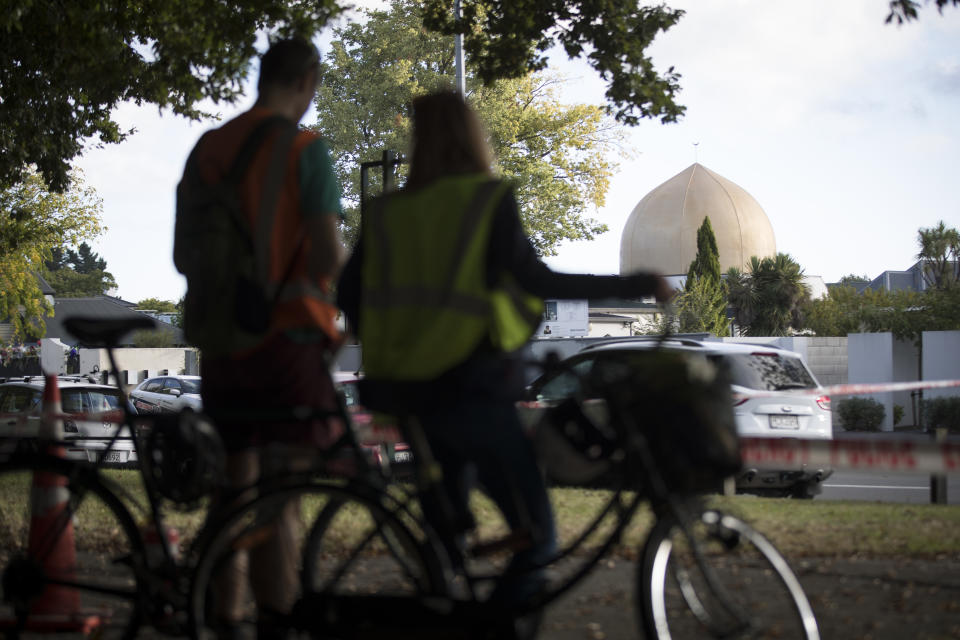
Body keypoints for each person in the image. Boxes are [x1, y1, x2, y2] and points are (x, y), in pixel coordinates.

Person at [336, 90, 672, 622]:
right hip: (471, 391)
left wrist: (391, 345)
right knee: (537, 538)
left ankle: (446, 612)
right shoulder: (485, 201)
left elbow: (348, 294)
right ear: (473, 135)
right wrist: (637, 286)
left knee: (446, 539)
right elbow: (538, 280)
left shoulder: (385, 213)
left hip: (405, 397)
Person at [174, 37, 344, 638]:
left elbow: (183, 254)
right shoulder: (303, 148)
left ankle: (221, 613)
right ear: (308, 83)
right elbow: (325, 253)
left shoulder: (209, 149)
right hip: (286, 343)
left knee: (235, 481)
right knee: (282, 492)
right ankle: (276, 619)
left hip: (222, 342)